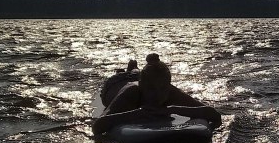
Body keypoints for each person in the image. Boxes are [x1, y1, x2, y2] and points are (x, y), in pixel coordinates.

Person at [92, 53, 222, 136]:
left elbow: (213, 114)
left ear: (168, 86)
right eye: (152, 90)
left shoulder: (170, 92)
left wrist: (174, 109)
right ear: (142, 86)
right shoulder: (131, 93)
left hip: (140, 77)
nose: (158, 95)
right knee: (129, 73)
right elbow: (97, 127)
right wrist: (138, 113)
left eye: (162, 89)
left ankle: (134, 69)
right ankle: (130, 68)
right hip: (116, 83)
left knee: (137, 73)